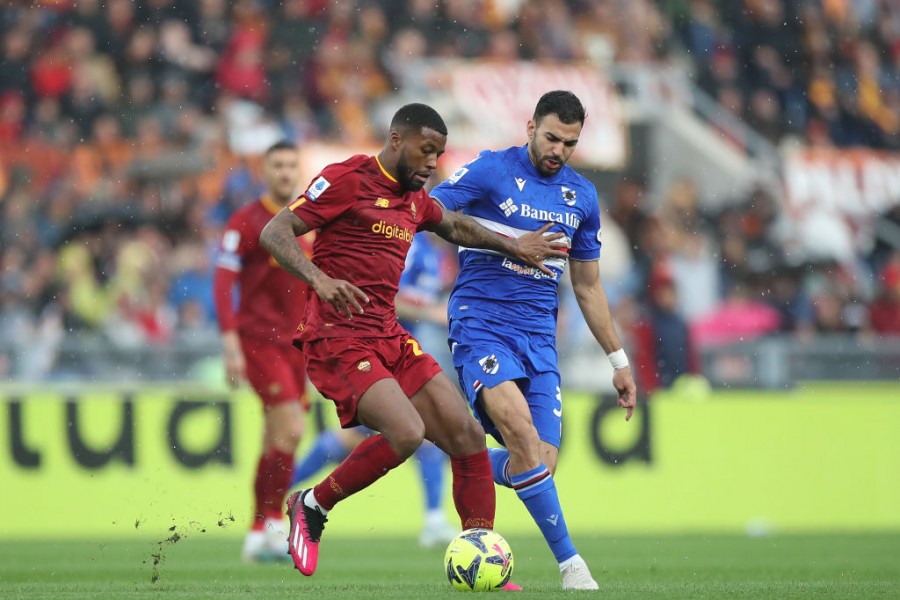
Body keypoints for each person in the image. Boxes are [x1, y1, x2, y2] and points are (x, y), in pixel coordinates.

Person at [259, 102, 566, 581]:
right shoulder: (347, 179)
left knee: (465, 437)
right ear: (396, 140)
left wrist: (515, 245)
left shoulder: (413, 199)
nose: (430, 164)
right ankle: (313, 504)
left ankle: (484, 562)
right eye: (425, 151)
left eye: (438, 155)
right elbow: (274, 230)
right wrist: (319, 280)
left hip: (388, 335)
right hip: (338, 337)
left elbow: (456, 224)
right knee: (406, 432)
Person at [429, 90, 638, 591]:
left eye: (569, 142)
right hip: (481, 325)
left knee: (539, 462)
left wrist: (619, 359)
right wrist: (500, 241)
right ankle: (572, 565)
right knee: (521, 433)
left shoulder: (582, 198)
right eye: (551, 137)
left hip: (539, 338)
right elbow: (430, 211)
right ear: (529, 127)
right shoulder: (489, 170)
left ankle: (465, 456)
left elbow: (587, 286)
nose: (558, 150)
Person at [289, 233, 458, 550]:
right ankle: (284, 499)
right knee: (403, 437)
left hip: (403, 359)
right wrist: (433, 313)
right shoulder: (412, 248)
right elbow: (386, 300)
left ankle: (434, 518)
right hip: (380, 356)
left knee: (403, 439)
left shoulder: (438, 256)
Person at [212, 141, 313, 562]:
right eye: (279, 165)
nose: (286, 172)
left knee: (279, 436)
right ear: (265, 170)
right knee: (289, 428)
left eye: (292, 165)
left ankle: (260, 529)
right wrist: (230, 343)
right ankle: (270, 521)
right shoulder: (247, 220)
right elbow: (222, 283)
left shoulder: (307, 221)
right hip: (258, 341)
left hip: (297, 345)